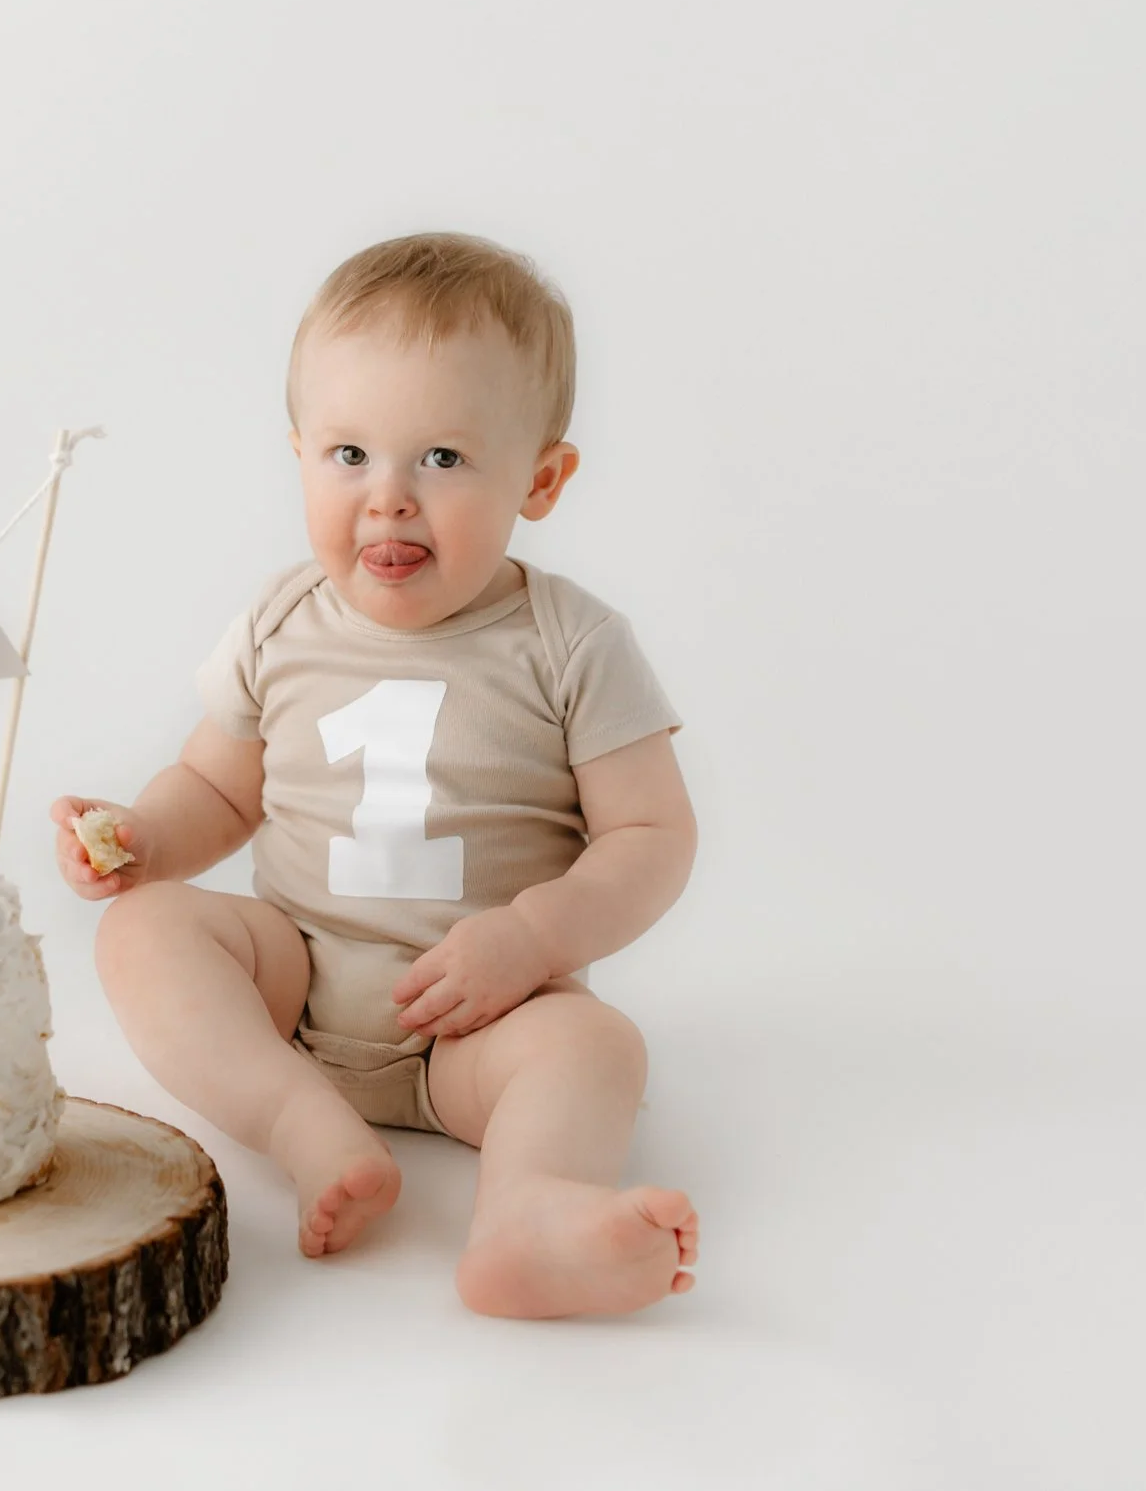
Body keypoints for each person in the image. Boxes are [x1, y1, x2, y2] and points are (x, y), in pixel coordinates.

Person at [50, 231, 700, 1318]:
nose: (387, 498)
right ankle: (303, 1123)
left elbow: (651, 838)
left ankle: (530, 1210)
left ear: (540, 477)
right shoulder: (279, 620)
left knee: (594, 1045)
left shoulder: (569, 643)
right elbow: (217, 788)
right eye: (349, 455)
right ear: (299, 452)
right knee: (143, 932)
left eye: (441, 459)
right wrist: (142, 838)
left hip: (483, 1020)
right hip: (294, 984)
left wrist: (535, 937)